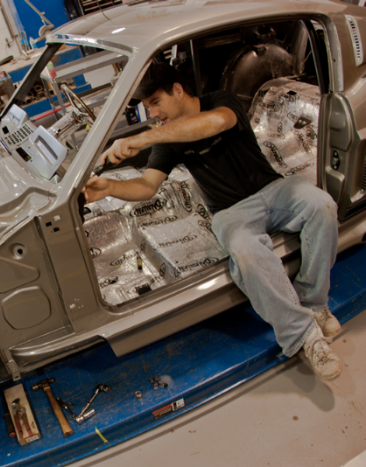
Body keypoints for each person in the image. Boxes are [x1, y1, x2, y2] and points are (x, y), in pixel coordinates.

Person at [84, 62, 342, 381]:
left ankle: (315, 302)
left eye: (155, 102)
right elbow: (148, 185)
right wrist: (109, 187)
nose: (152, 114)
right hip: (231, 212)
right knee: (246, 253)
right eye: (149, 106)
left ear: (178, 90)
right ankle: (305, 337)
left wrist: (143, 139)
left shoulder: (221, 99)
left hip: (275, 189)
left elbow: (216, 123)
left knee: (322, 206)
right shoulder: (167, 139)